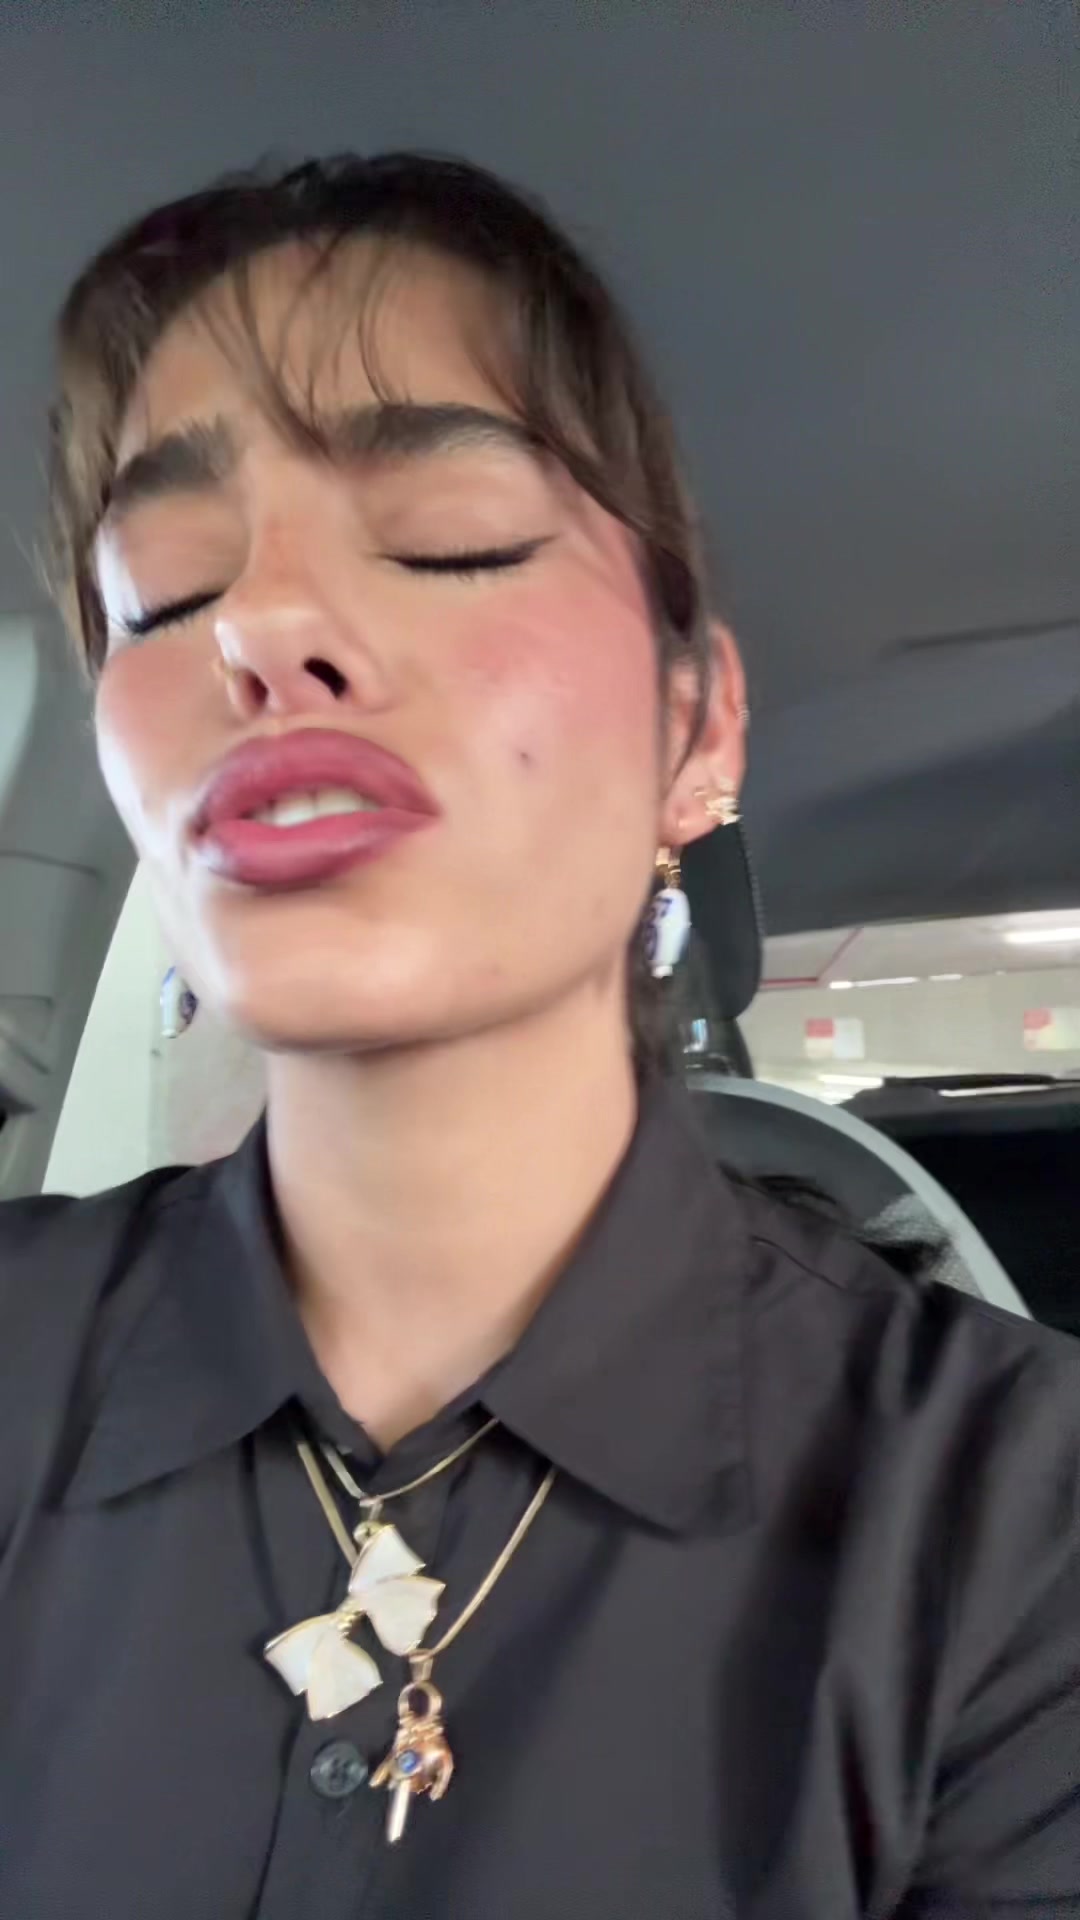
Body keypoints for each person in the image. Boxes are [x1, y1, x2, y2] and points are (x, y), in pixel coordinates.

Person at [0, 153, 1077, 1920]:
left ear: (696, 728)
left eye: (447, 536)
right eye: (165, 589)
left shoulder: (1013, 1524)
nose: (260, 627)